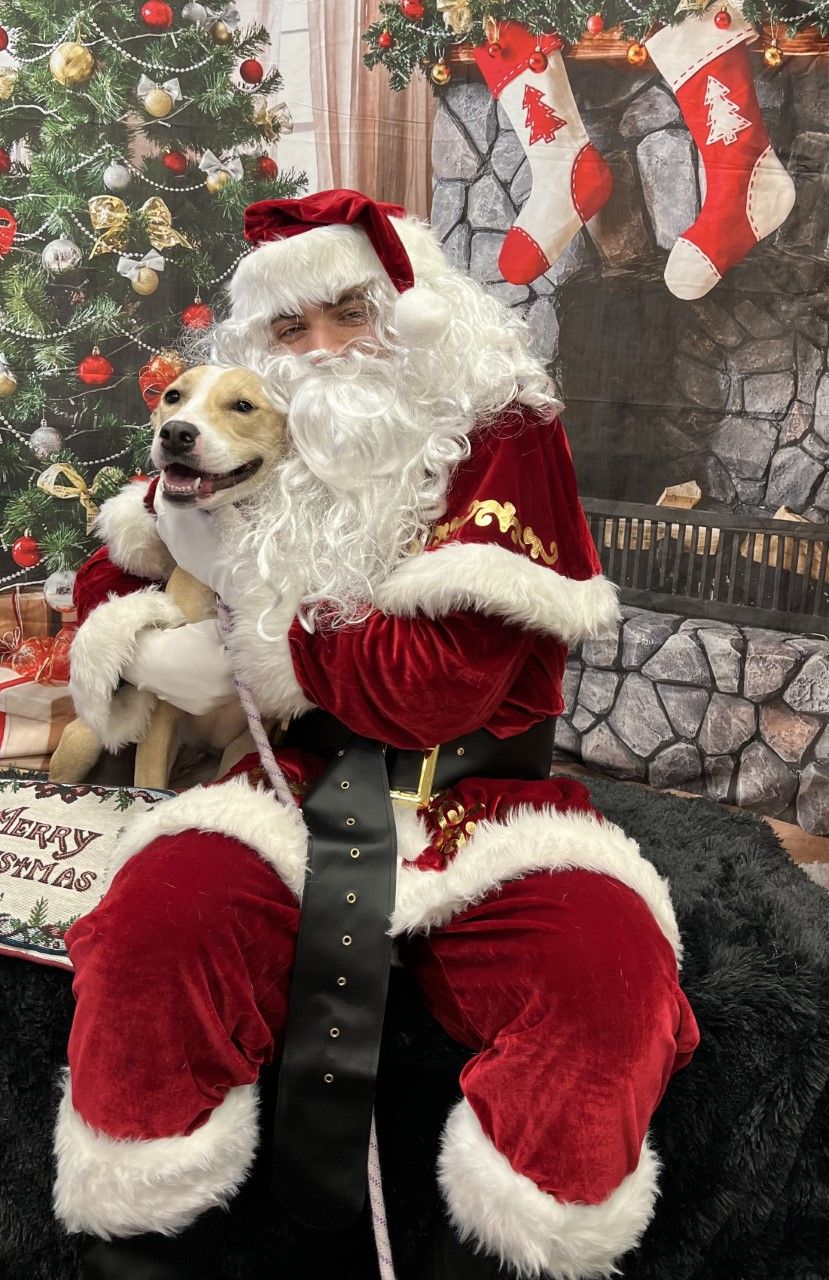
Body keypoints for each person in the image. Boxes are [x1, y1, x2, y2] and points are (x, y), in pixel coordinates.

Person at [55, 190, 699, 1280]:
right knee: (154, 932)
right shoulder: (250, 424)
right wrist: (128, 631)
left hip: (486, 802)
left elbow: (437, 688)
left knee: (606, 985)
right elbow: (117, 563)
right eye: (289, 331)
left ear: (415, 308)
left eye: (349, 314)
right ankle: (145, 1239)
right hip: (283, 781)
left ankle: (509, 1254)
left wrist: (266, 641)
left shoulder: (503, 425)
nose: (321, 353)